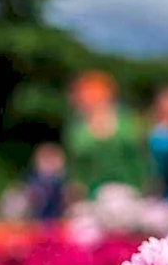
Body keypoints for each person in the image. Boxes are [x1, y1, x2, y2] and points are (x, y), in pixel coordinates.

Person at [63, 71, 148, 199]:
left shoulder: (128, 124)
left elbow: (142, 161)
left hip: (130, 195)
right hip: (91, 200)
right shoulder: (77, 132)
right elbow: (76, 173)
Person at [23, 143, 68, 221]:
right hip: (38, 221)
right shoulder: (35, 181)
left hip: (59, 220)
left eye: (53, 161)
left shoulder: (64, 180)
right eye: (47, 161)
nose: (51, 165)